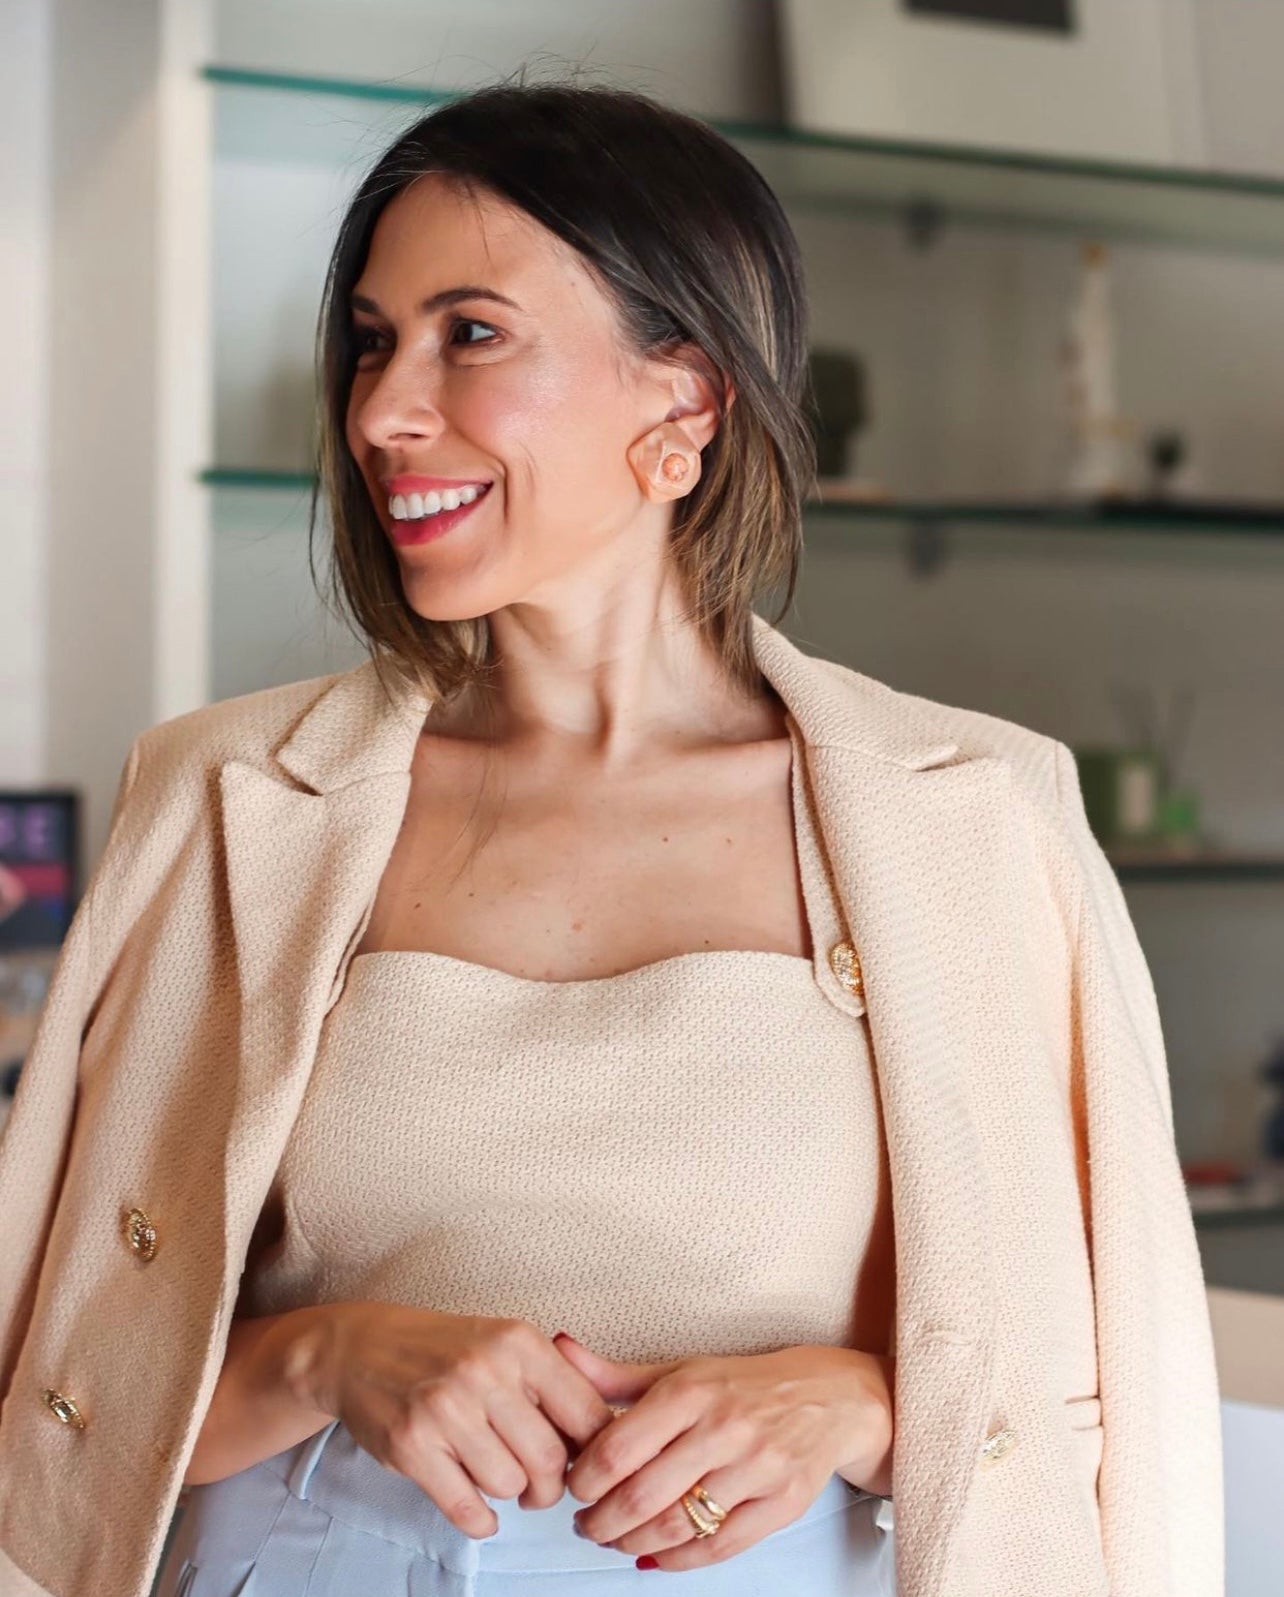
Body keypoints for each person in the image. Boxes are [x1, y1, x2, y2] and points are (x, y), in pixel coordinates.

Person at [0, 79, 1221, 1597]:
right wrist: (326, 1353)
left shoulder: (979, 819)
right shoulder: (220, 798)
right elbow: (56, 1410)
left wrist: (863, 1400)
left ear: (684, 401)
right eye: (373, 341)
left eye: (472, 333)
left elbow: (1113, 1395)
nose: (382, 409)